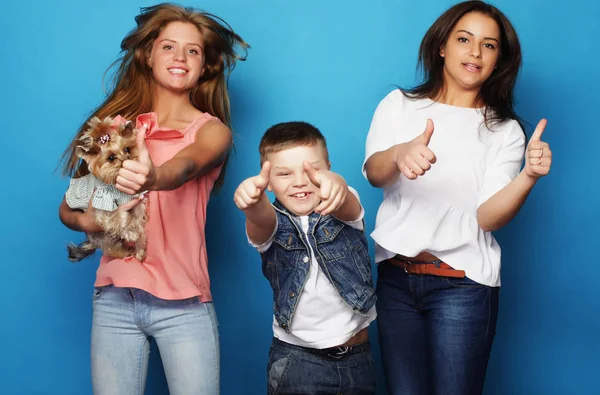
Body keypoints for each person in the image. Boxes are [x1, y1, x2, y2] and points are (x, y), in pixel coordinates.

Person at [362, 1, 552, 394]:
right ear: (442, 46)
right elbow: (374, 173)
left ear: (499, 60)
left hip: (463, 288)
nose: (475, 52)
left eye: (489, 45)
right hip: (396, 282)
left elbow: (488, 217)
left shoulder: (504, 131)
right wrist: (399, 154)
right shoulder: (399, 105)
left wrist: (528, 177)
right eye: (464, 39)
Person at [58, 3, 248, 394]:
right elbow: (70, 203)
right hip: (114, 298)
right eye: (168, 47)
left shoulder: (212, 132)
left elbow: (186, 167)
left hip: (185, 302)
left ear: (205, 65)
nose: (180, 57)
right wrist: (85, 222)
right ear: (147, 55)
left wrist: (153, 175)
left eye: (192, 50)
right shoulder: (115, 128)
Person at [234, 121, 377, 395]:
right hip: (297, 363)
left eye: (312, 170)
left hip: (358, 359)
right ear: (270, 183)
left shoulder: (344, 204)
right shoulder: (270, 223)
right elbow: (261, 218)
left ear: (328, 168)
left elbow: (346, 203)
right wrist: (253, 203)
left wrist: (338, 184)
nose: (300, 181)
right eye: (284, 174)